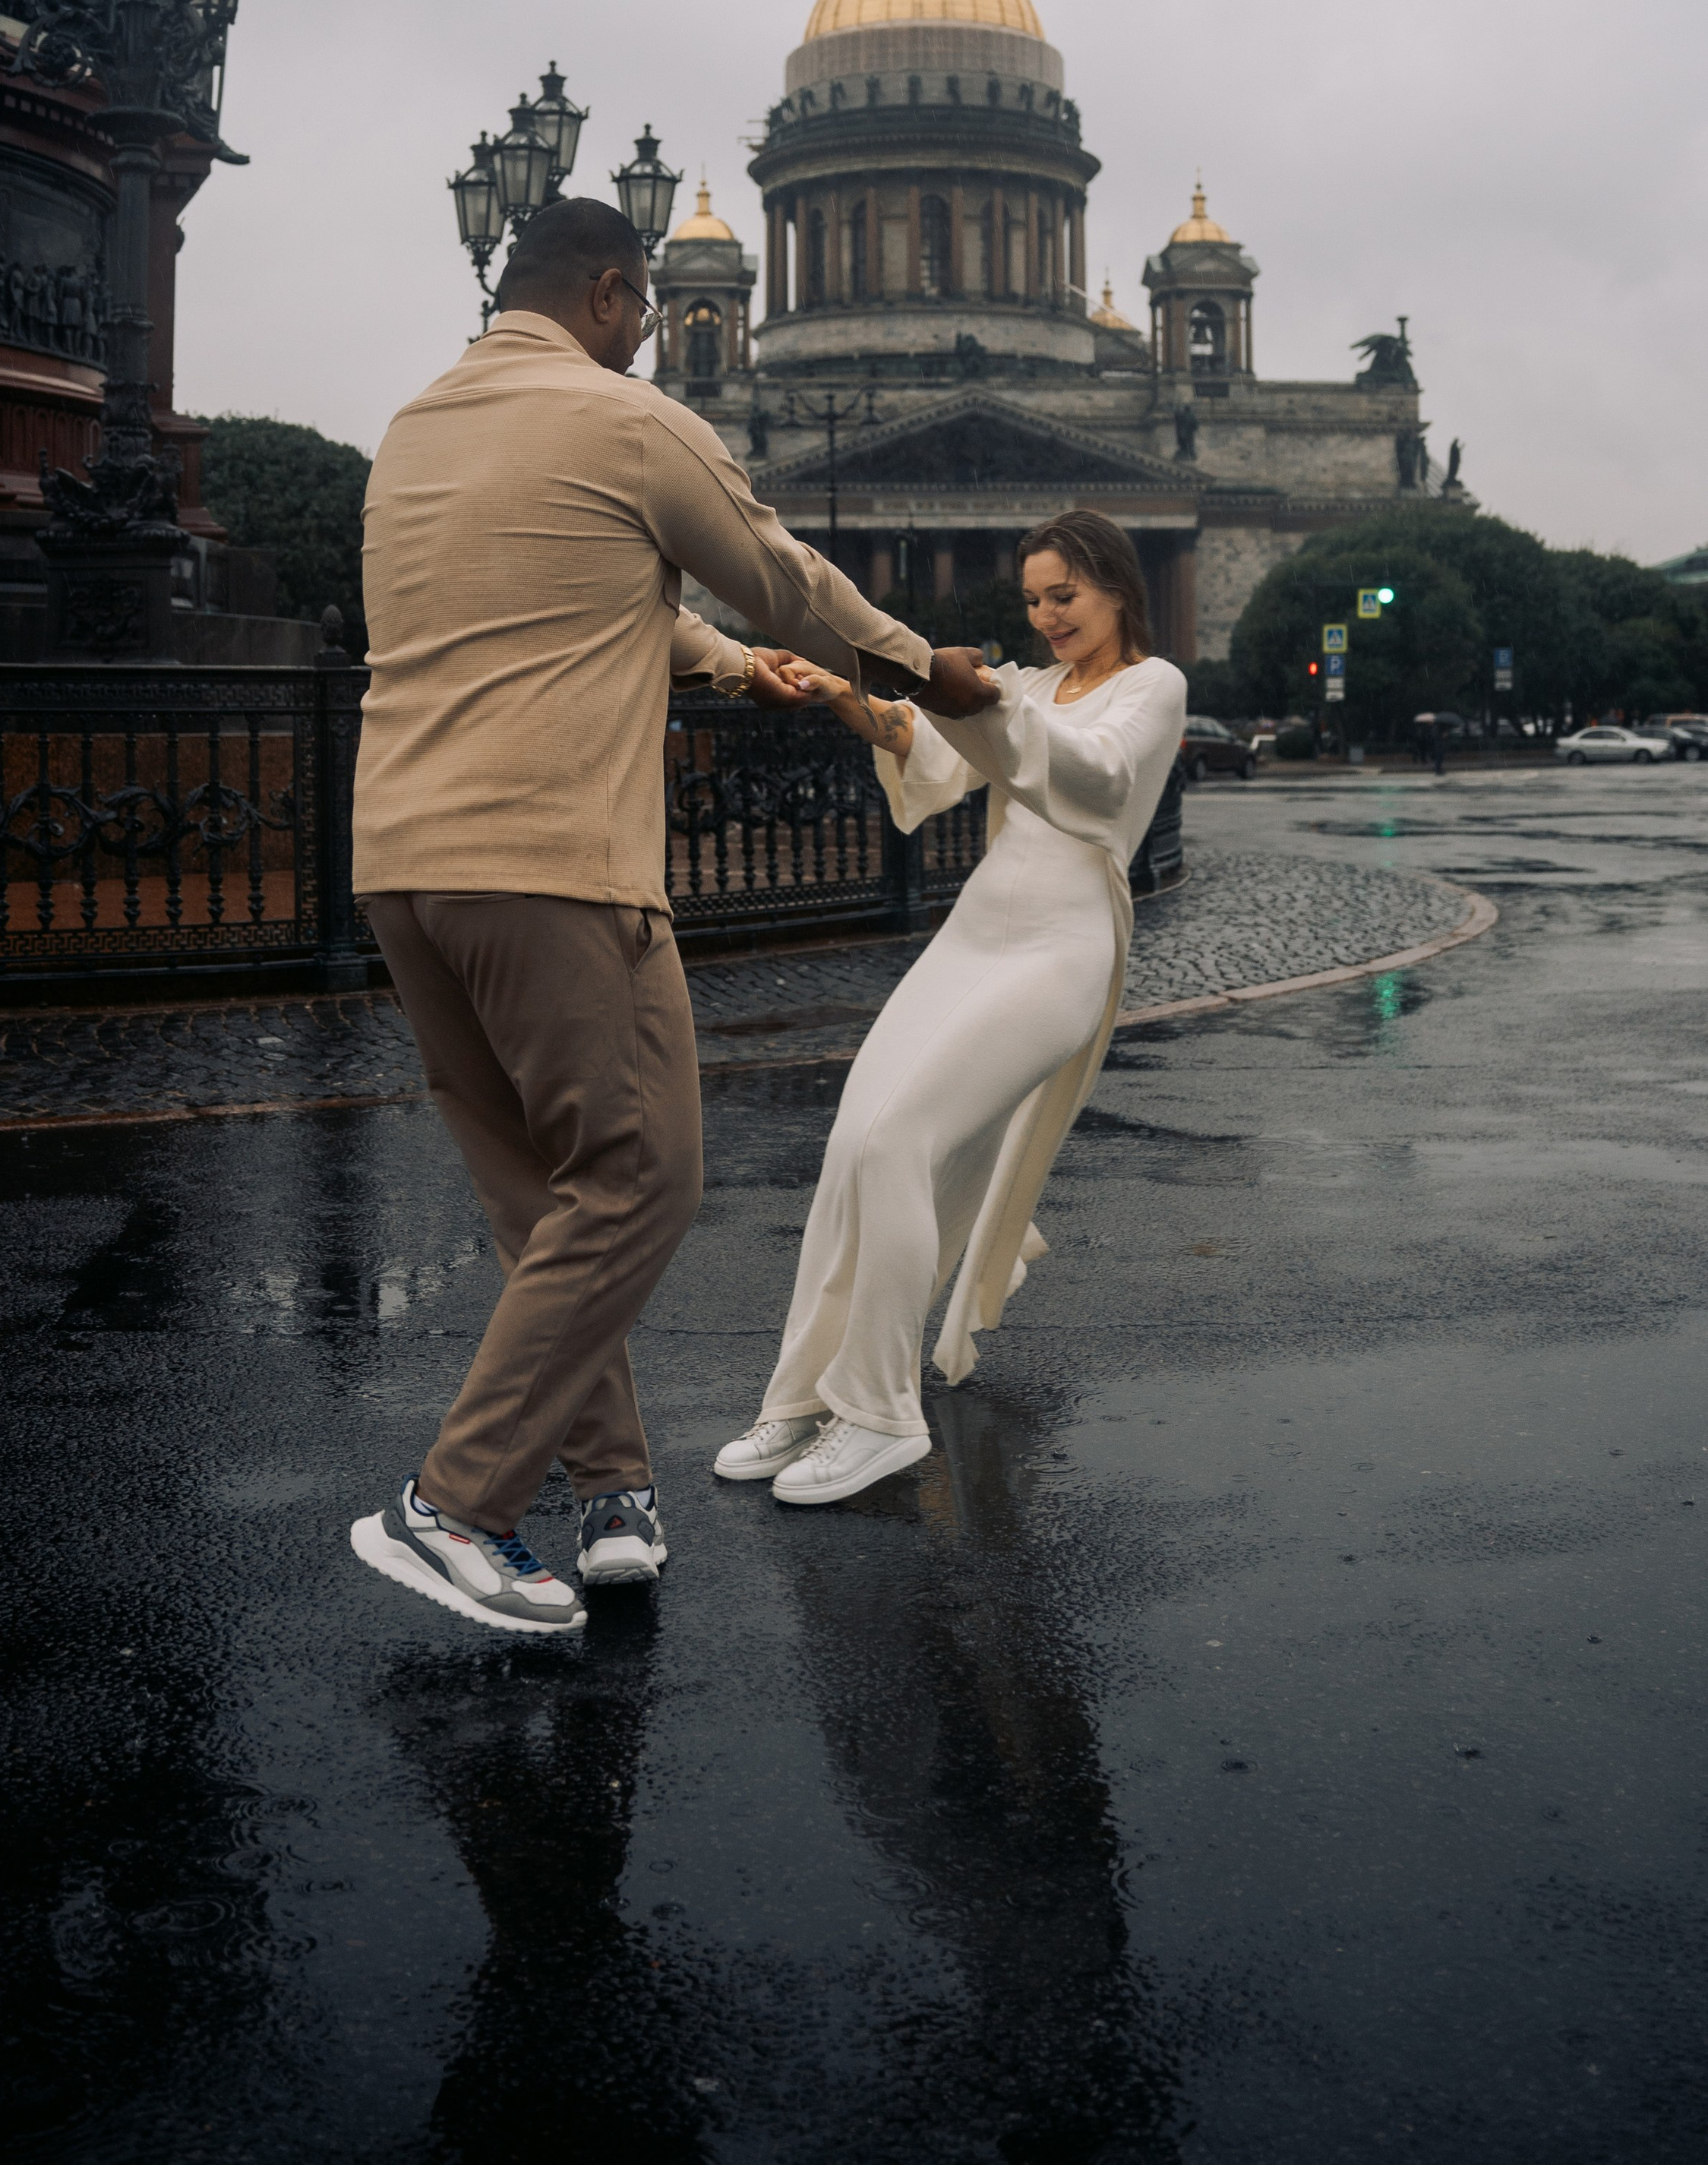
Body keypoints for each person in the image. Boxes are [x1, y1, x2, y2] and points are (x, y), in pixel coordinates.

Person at [348, 198, 996, 1632]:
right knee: (644, 1180)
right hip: (552, 863)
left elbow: (555, 598)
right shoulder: (631, 420)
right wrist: (921, 669)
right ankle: (455, 1503)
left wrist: (718, 665)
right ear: (613, 290)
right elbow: (785, 571)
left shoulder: (416, 428)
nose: (648, 332)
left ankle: (611, 1489)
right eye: (641, 309)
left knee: (547, 1201)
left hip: (401, 866)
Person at [715, 509, 1187, 1506]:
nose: (1046, 615)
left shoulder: (1154, 688)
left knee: (897, 1145)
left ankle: (882, 1415)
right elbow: (924, 749)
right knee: (853, 1144)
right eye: (1033, 600)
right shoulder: (1034, 687)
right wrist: (848, 692)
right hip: (975, 934)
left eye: (1064, 595)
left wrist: (981, 700)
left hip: (1060, 950)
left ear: (1116, 588)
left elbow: (1094, 781)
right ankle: (803, 1395)